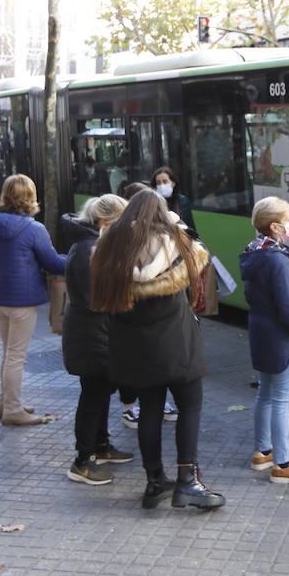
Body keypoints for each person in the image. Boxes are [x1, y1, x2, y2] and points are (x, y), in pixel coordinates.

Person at [92, 190, 223, 509]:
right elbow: (201, 254)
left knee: (150, 410)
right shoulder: (174, 241)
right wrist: (177, 224)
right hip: (177, 344)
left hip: (136, 349)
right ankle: (187, 482)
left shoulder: (110, 247)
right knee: (189, 406)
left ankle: (154, 481)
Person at [242, 196, 289, 484]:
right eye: (287, 218)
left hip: (262, 335)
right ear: (275, 226)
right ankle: (284, 463)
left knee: (265, 395)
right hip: (282, 340)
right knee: (281, 401)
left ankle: (264, 451)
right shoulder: (277, 261)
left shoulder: (253, 252)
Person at [61, 194, 134, 485]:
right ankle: (83, 461)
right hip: (90, 334)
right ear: (104, 222)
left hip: (96, 332)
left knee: (101, 392)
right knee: (92, 395)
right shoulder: (87, 250)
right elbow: (98, 298)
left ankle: (101, 446)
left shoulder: (92, 246)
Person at [0, 174, 66, 426]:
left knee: (8, 353)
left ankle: (5, 402)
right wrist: (78, 257)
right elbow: (52, 262)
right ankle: (12, 409)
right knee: (16, 356)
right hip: (22, 300)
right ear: (29, 197)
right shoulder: (34, 229)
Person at [114, 181, 175, 430]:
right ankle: (131, 406)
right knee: (134, 358)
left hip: (151, 315)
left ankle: (154, 403)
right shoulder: (121, 236)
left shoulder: (160, 234)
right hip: (130, 312)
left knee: (152, 358)